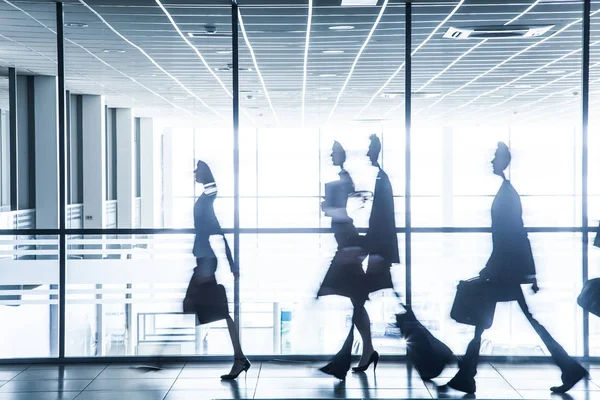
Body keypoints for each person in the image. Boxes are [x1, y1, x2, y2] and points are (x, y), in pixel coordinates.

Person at [442, 142, 588, 394]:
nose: (491, 162)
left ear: (503, 162)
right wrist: (528, 273)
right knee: (496, 321)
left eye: (495, 158)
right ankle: (568, 368)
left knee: (484, 321)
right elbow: (516, 235)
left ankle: (467, 376)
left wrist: (499, 269)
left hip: (503, 270)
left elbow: (511, 235)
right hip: (505, 269)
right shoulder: (507, 191)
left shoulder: (507, 194)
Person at [185, 160, 250, 380]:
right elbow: (220, 233)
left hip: (206, 262)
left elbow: (218, 231)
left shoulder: (206, 202)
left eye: (198, 170)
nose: (194, 173)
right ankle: (240, 358)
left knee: (212, 310)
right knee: (207, 309)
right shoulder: (205, 203)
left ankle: (240, 359)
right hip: (204, 261)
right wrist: (231, 263)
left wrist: (231, 263)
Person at [317, 141, 368, 380]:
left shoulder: (343, 178)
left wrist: (328, 208)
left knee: (354, 300)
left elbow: (342, 208)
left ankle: (360, 353)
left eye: (334, 152)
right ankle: (364, 352)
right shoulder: (342, 178)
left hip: (347, 245)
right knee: (356, 302)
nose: (331, 155)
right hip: (346, 244)